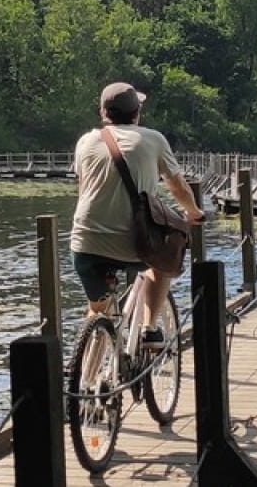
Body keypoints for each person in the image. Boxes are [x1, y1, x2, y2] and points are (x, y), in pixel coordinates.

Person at [70, 82, 205, 347]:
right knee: (163, 258)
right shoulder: (153, 138)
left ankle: (89, 377)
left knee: (98, 311)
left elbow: (83, 187)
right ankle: (149, 329)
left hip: (86, 243)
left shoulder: (85, 141)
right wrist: (194, 213)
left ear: (103, 112)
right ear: (136, 113)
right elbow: (177, 187)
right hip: (135, 244)